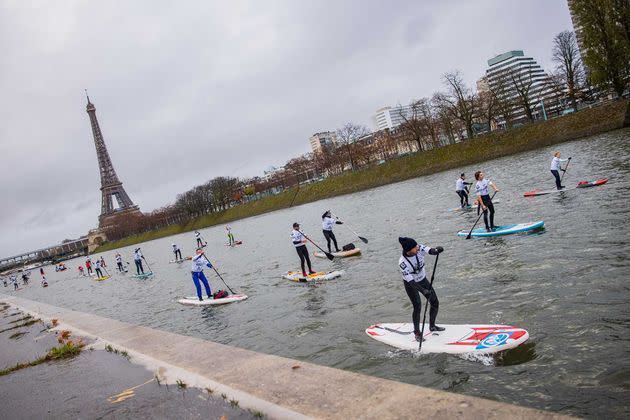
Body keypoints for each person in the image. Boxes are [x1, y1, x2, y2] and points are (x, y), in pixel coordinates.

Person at [398, 237, 444, 342]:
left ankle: (432, 326)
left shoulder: (418, 248)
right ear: (408, 250)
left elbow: (431, 251)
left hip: (423, 280)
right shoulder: (402, 263)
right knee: (417, 306)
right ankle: (417, 333)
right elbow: (412, 282)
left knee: (435, 302)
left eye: (417, 246)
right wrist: (424, 291)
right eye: (414, 247)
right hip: (411, 284)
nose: (417, 248)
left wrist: (436, 251)